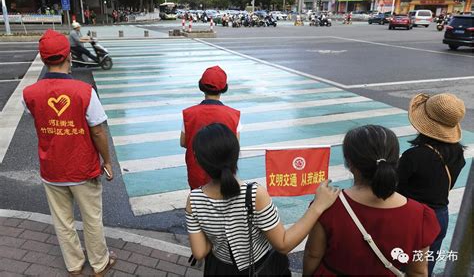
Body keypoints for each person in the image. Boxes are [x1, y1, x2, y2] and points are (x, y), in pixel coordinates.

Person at [186, 123, 340, 275]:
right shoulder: (253, 193)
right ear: (236, 153)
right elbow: (283, 244)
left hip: (219, 269)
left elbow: (199, 252)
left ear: (198, 161)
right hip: (260, 269)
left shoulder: (194, 200)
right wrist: (317, 206)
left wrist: (218, 232)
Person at [22, 29, 116, 276]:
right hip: (83, 168)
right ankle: (99, 263)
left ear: (43, 59)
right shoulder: (84, 92)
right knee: (92, 219)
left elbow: (38, 118)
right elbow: (98, 132)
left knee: (62, 221)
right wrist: (107, 160)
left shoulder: (29, 94)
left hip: (51, 169)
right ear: (68, 57)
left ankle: (74, 265)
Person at [303, 125, 440, 276]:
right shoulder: (420, 215)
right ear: (395, 161)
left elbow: (313, 254)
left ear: (349, 163)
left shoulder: (328, 205)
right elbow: (418, 271)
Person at [398, 93, 466, 275]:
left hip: (411, 217)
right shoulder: (458, 155)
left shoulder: (414, 156)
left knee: (399, 265)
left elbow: (393, 187)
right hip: (439, 217)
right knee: (424, 268)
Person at [180, 66, 241, 190]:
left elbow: (183, 142)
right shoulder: (233, 115)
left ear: (201, 86)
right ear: (224, 88)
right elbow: (235, 145)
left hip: (197, 171)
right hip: (224, 174)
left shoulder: (189, 113)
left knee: (198, 203)